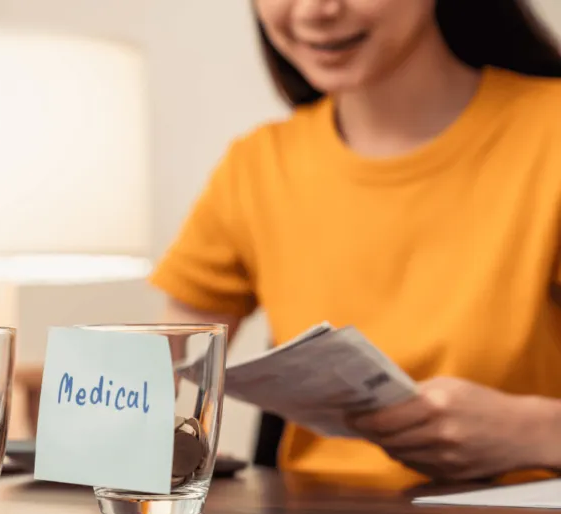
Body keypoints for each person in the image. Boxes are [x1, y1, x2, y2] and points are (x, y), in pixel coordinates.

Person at [147, 0, 561, 486]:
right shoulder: (258, 164)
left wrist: (539, 432)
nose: (315, 11)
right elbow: (160, 371)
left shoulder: (547, 133)